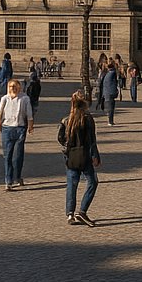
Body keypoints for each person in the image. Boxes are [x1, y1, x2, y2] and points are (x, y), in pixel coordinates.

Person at [59, 92, 101, 225]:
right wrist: (95, 155)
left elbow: (60, 137)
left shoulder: (67, 119)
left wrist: (68, 146)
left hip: (71, 156)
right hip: (84, 155)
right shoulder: (87, 119)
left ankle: (70, 213)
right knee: (92, 181)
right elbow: (92, 140)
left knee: (72, 184)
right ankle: (82, 211)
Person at [0, 78, 34, 189]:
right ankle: (8, 181)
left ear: (19, 87)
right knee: (7, 156)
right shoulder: (4, 99)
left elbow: (29, 114)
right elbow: (0, 112)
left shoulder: (24, 98)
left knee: (18, 155)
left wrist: (30, 126)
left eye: (15, 86)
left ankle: (18, 176)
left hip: (20, 129)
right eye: (11, 86)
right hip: (7, 129)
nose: (13, 88)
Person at [98, 61, 119, 126]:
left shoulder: (106, 74)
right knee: (111, 107)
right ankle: (110, 121)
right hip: (110, 92)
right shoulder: (113, 73)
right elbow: (115, 82)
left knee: (109, 107)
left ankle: (110, 120)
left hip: (105, 92)